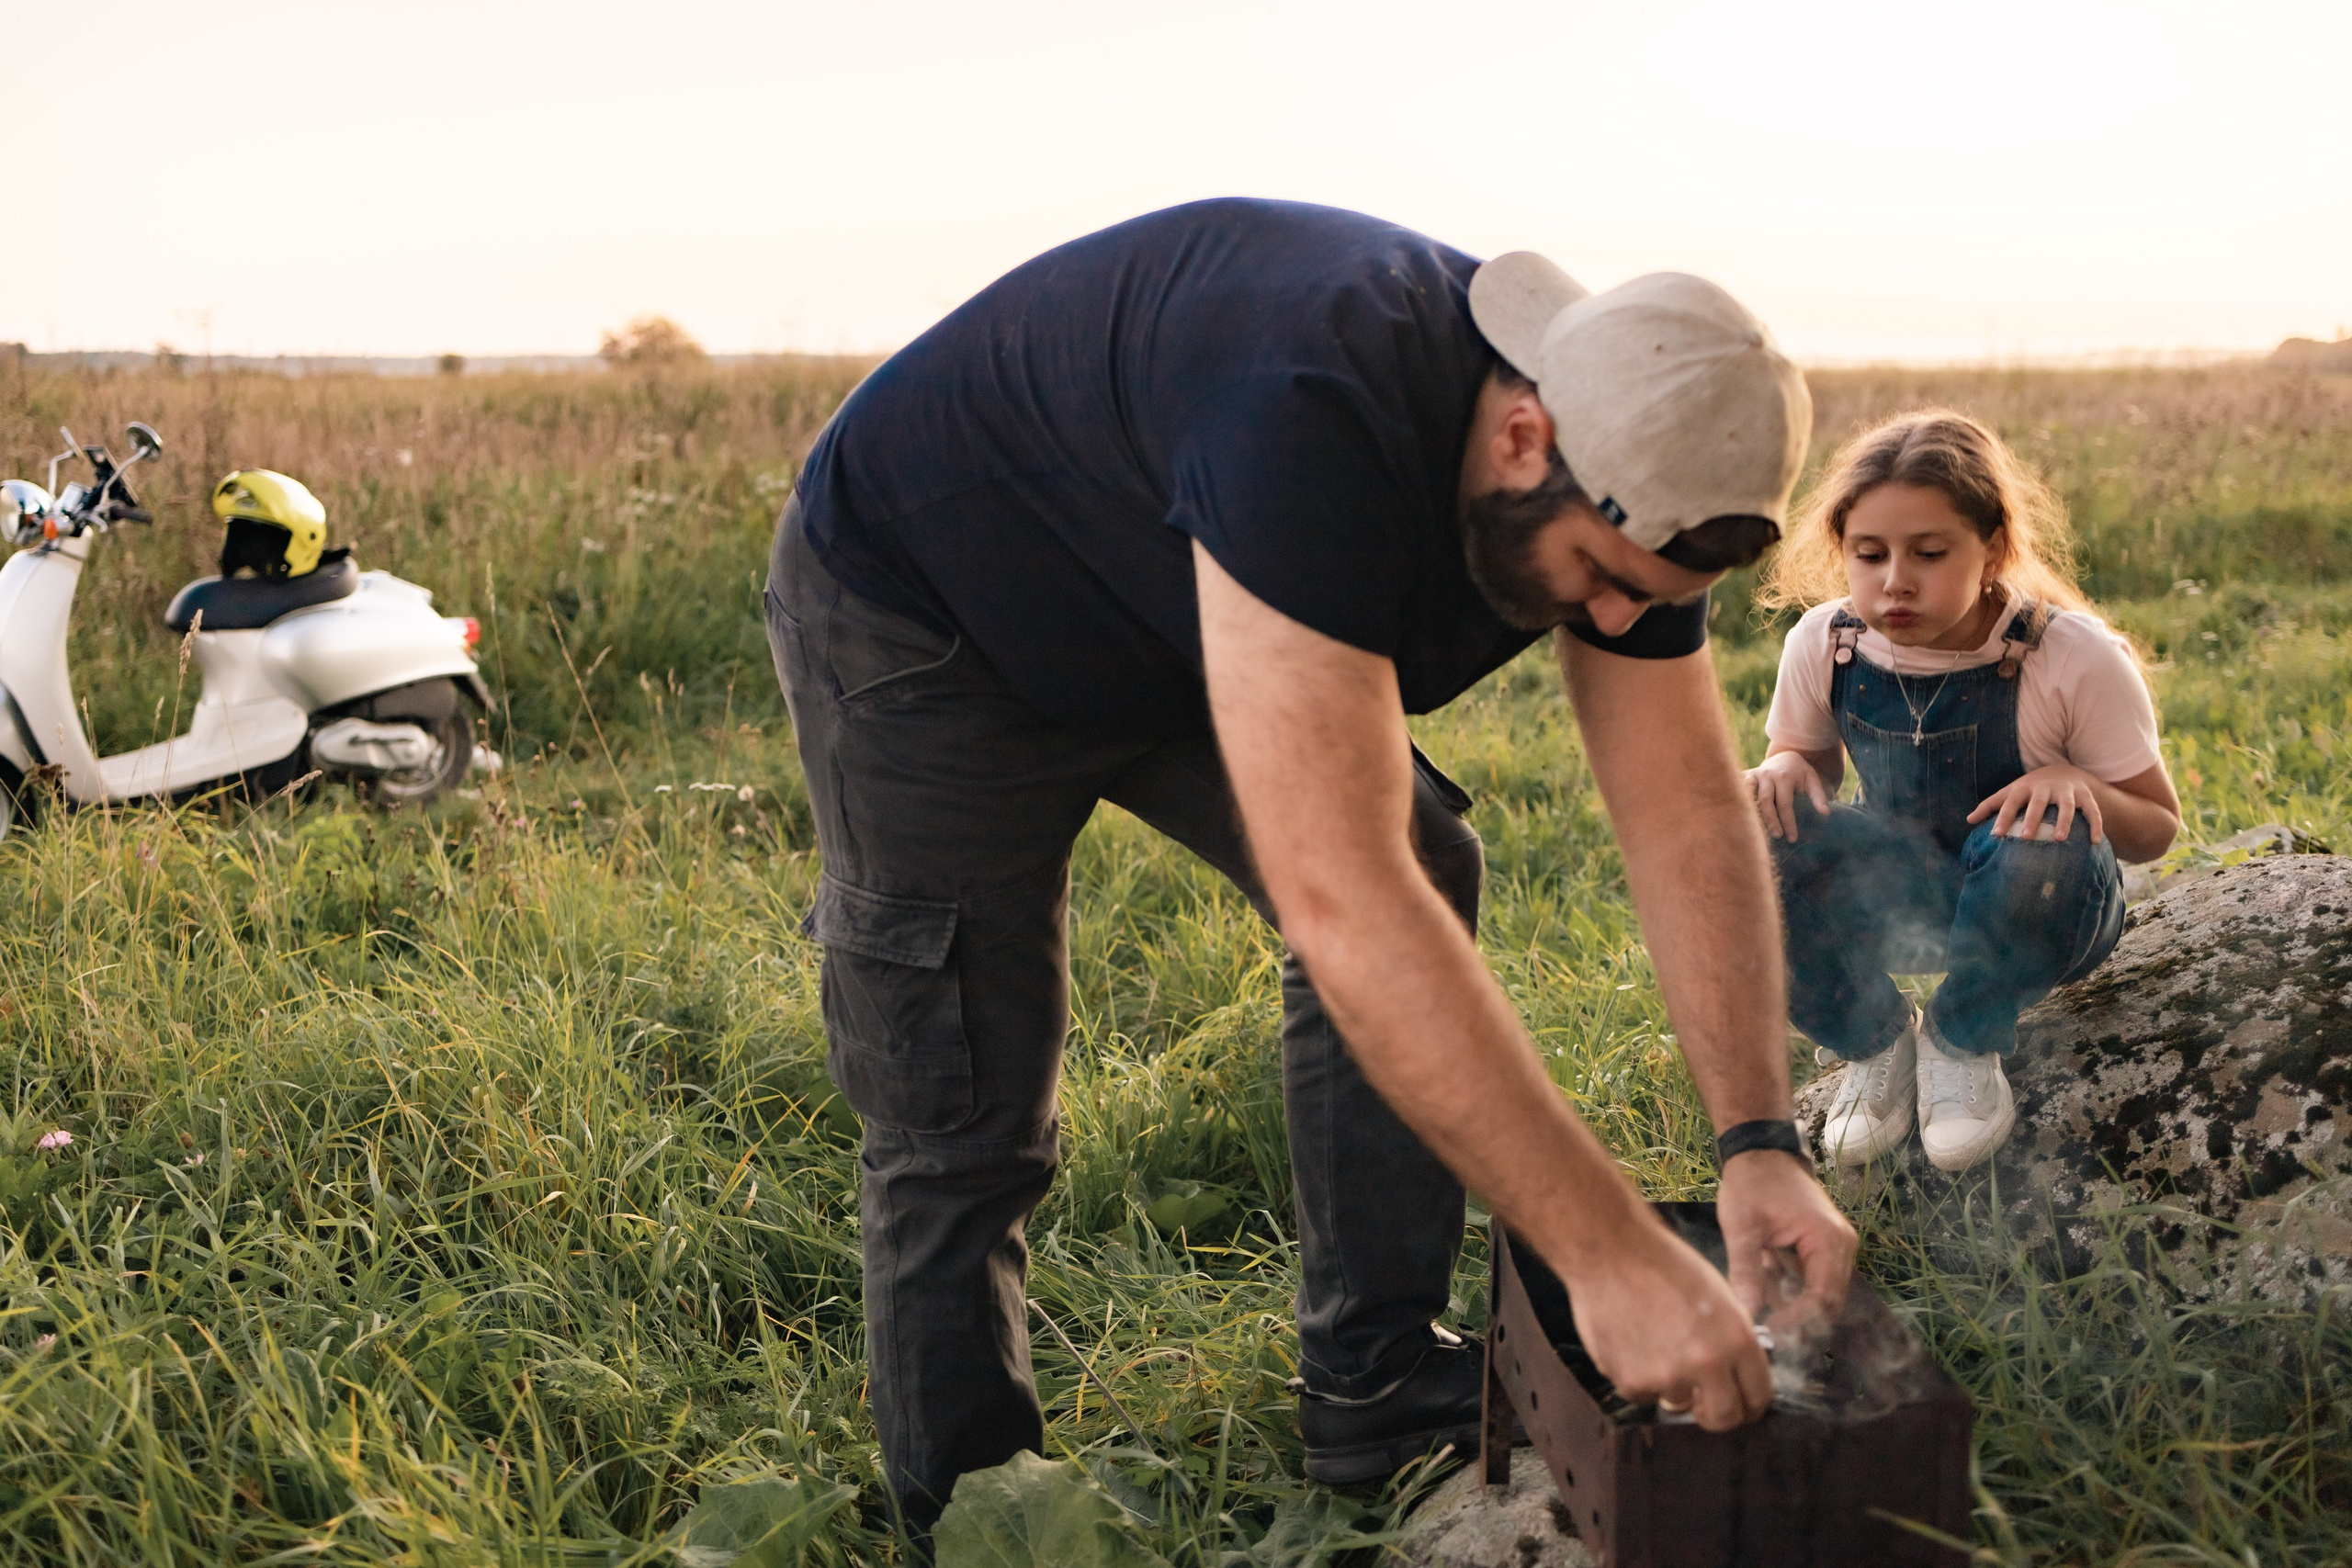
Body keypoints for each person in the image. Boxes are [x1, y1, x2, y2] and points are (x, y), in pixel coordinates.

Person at [765, 197, 1857, 1537]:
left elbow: (1687, 813)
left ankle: (1377, 1378)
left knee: (1424, 856)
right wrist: (1609, 1253)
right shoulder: (1310, 407)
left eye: (1648, 591)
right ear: (1525, 436)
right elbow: (1344, 902)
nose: (1618, 618)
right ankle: (977, 1513)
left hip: (1181, 599)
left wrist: (1756, 1142)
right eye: (1598, 574)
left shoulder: (1643, 452)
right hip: (932, 615)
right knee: (962, 1098)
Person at [1745, 411, 2181, 1172]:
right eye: (1869, 553)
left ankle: (1962, 1037)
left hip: (2040, 904)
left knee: (2046, 830)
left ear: (1993, 550)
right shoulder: (1826, 642)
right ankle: (1874, 1040)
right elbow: (1806, 772)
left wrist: (2079, 785)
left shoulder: (2070, 655)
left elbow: (2155, 829)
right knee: (1740, 838)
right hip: (1899, 895)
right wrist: (1786, 765)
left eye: (1929, 552)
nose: (1895, 580)